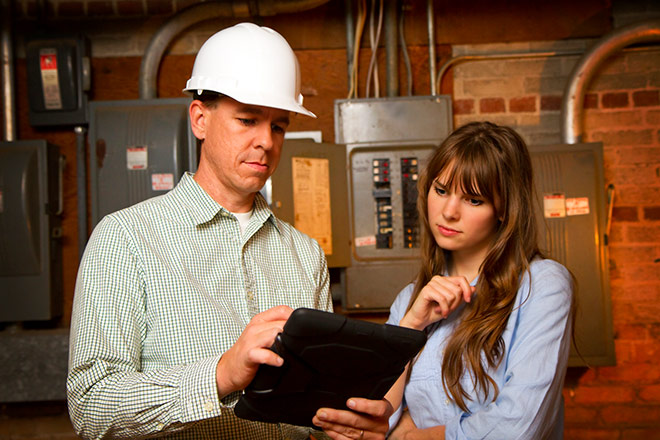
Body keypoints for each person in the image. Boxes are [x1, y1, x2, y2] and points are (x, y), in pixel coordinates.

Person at [67, 22, 390, 439]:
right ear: (200, 119)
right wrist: (219, 376)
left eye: (278, 125)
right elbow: (91, 403)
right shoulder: (126, 239)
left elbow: (313, 408)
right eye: (247, 119)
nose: (266, 142)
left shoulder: (304, 253)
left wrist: (345, 427)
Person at [379, 121, 574, 439]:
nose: (449, 211)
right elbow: (375, 418)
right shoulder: (409, 299)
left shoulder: (541, 286)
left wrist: (418, 435)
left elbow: (519, 427)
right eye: (441, 191)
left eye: (473, 200)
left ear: (504, 209)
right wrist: (409, 327)